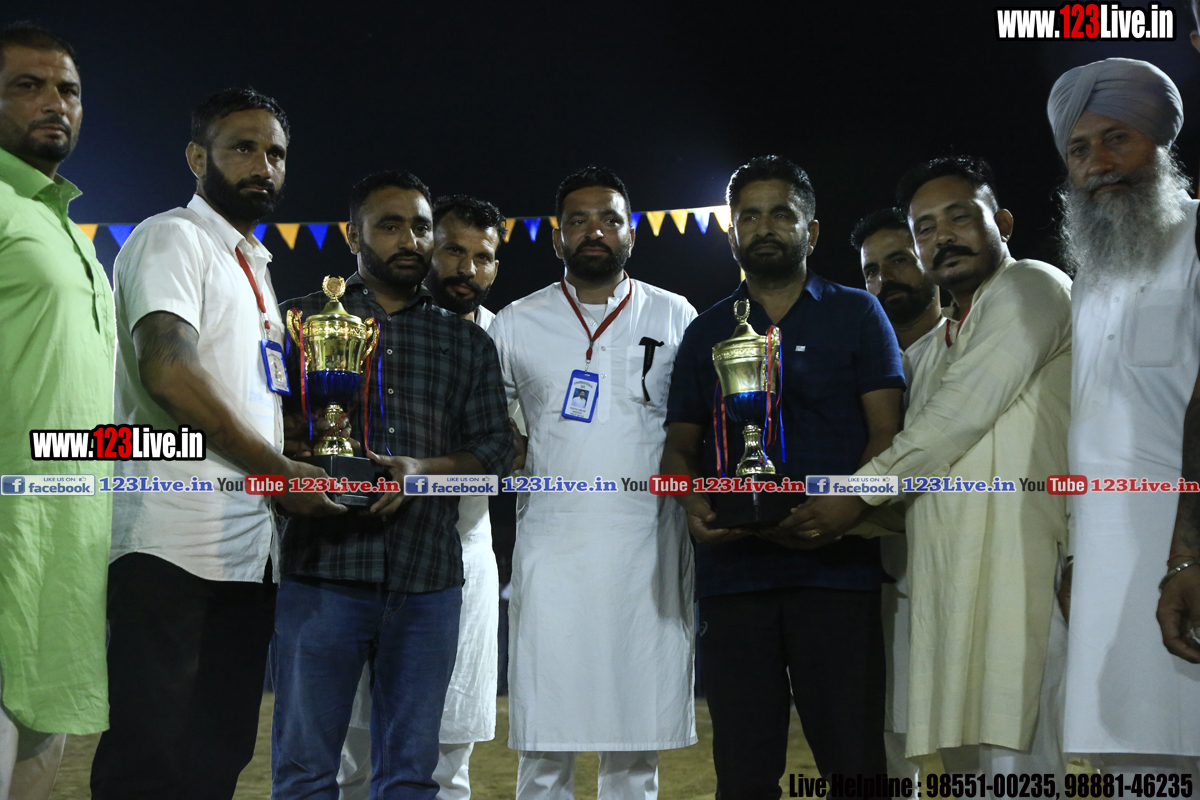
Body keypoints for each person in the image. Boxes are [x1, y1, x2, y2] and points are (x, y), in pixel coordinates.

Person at [90, 87, 344, 800]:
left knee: (219, 751)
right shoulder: (172, 236)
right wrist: (279, 471)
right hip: (170, 540)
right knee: (150, 755)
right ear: (197, 158)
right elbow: (169, 372)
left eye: (276, 153)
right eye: (243, 147)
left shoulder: (253, 265)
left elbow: (244, 395)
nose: (263, 165)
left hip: (246, 548)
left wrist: (301, 448)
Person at [791, 156, 1072, 783]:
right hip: (948, 589)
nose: (942, 237)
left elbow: (953, 421)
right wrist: (797, 512)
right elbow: (906, 478)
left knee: (1018, 768)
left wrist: (848, 498)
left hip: (1020, 576)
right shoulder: (930, 352)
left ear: (1001, 222)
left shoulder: (1031, 287)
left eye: (958, 218)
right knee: (969, 767)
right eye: (926, 229)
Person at [661, 156, 904, 798]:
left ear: (811, 231)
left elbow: (888, 434)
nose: (764, 227)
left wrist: (849, 504)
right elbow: (678, 446)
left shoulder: (858, 314)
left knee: (854, 761)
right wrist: (691, 502)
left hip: (838, 568)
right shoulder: (706, 332)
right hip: (734, 573)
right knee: (743, 771)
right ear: (731, 232)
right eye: (749, 216)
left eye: (781, 214)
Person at [272, 171, 513, 800]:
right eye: (390, 225)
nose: (410, 240)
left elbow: (494, 450)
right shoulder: (297, 320)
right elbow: (262, 427)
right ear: (353, 235)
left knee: (410, 776)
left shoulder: (465, 340)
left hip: (427, 578)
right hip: (322, 568)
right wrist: (286, 455)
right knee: (305, 771)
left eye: (421, 227)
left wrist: (421, 473)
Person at [489, 166, 697, 800]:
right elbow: (494, 426)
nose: (594, 231)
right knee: (544, 738)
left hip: (648, 546)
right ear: (557, 237)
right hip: (553, 548)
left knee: (635, 742)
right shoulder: (516, 321)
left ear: (632, 232)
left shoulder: (675, 314)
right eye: (577, 221)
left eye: (609, 218)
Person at [1047, 57, 1200, 778]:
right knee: (1131, 764)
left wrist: (1190, 555)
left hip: (1183, 557)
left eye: (1117, 139)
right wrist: (1079, 555)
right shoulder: (1093, 273)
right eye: (1079, 149)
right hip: (1107, 566)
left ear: (1161, 141)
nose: (1098, 164)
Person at [336, 194, 515, 800]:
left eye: (483, 258)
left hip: (462, 554)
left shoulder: (503, 338)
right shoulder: (358, 323)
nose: (467, 269)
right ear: (426, 248)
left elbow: (510, 452)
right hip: (361, 549)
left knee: (448, 753)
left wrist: (432, 471)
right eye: (453, 251)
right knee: (353, 752)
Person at [0, 23, 112, 800]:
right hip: (9, 531)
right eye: (27, 86)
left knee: (42, 747)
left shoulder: (65, 226)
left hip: (70, 540)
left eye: (67, 89)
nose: (54, 102)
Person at [849, 207, 944, 782]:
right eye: (871, 270)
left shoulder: (967, 347)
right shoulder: (855, 366)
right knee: (888, 742)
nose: (886, 280)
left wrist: (849, 504)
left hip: (956, 564)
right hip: (877, 579)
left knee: (976, 744)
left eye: (900, 260)